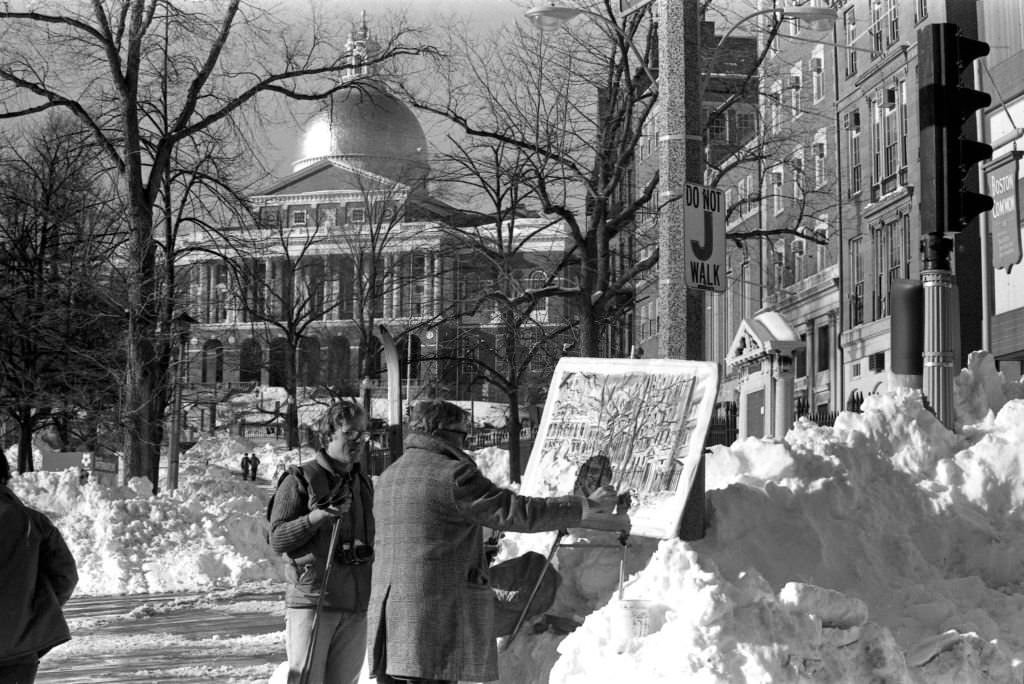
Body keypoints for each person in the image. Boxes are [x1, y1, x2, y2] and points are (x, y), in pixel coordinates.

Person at [368, 399, 626, 684]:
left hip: (391, 619)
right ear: (444, 433)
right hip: (434, 619)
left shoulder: (391, 475)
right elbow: (515, 511)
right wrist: (584, 506)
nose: (465, 444)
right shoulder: (451, 474)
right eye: (463, 435)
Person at [268, 400, 374, 684]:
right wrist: (315, 518)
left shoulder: (362, 482)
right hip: (314, 601)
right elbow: (277, 538)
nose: (359, 441)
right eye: (351, 434)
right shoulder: (300, 479)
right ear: (329, 435)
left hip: (355, 605)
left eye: (363, 435)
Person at [0, 456, 79, 683]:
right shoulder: (32, 522)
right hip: (19, 650)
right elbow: (65, 576)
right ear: (5, 477)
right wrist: (35, 611)